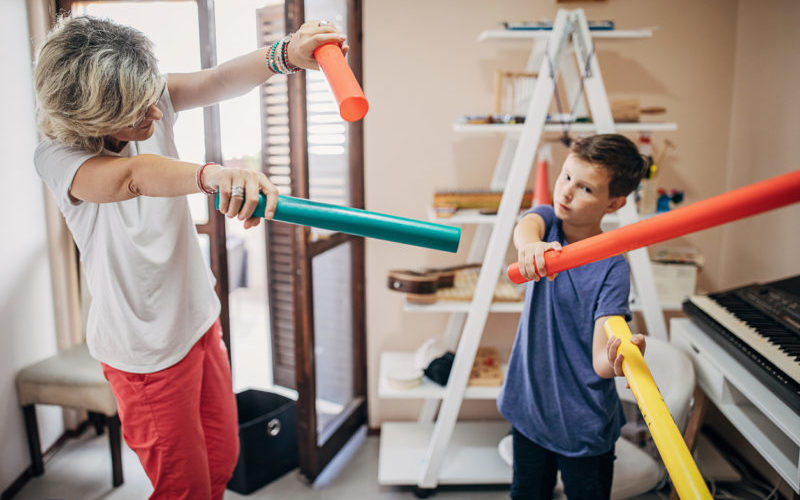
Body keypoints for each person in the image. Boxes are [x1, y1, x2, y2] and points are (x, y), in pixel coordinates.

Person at [33, 14, 345, 499]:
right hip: (145, 353)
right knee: (185, 489)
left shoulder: (146, 99)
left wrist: (286, 54)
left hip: (198, 320)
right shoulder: (58, 156)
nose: (156, 115)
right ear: (92, 117)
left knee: (222, 460)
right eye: (139, 112)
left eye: (152, 99)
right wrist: (211, 175)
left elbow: (216, 79)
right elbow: (130, 177)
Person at [497, 134, 648, 500]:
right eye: (565, 177)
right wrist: (530, 247)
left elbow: (600, 358)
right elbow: (526, 227)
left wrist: (614, 359)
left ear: (614, 203)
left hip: (582, 423)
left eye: (584, 189)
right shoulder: (546, 226)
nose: (565, 193)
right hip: (531, 407)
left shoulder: (612, 268)